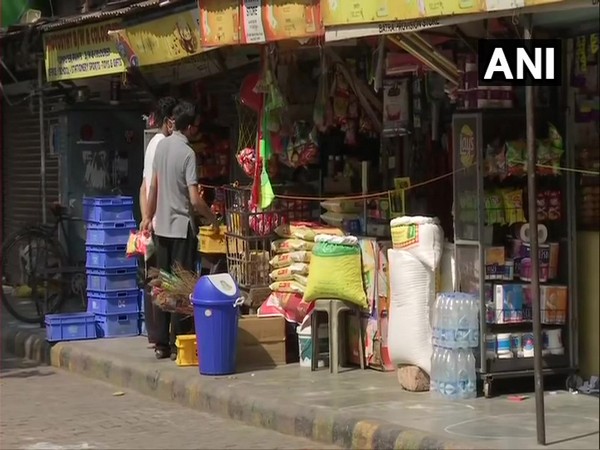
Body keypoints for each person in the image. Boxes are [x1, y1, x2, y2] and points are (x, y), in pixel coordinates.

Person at [141, 100, 218, 360]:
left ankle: (161, 342)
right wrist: (213, 219)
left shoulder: (161, 147)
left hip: (161, 228)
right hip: (181, 229)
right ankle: (179, 343)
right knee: (182, 286)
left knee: (162, 285)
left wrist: (148, 217)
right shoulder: (187, 154)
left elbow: (153, 188)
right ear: (189, 127)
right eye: (195, 126)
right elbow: (195, 200)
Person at [140, 96, 177, 348]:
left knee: (155, 280)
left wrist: (145, 218)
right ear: (168, 121)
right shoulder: (164, 144)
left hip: (152, 221)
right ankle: (163, 339)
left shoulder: (153, 142)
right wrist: (150, 218)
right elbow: (152, 187)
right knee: (165, 281)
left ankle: (157, 337)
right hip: (160, 223)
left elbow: (143, 186)